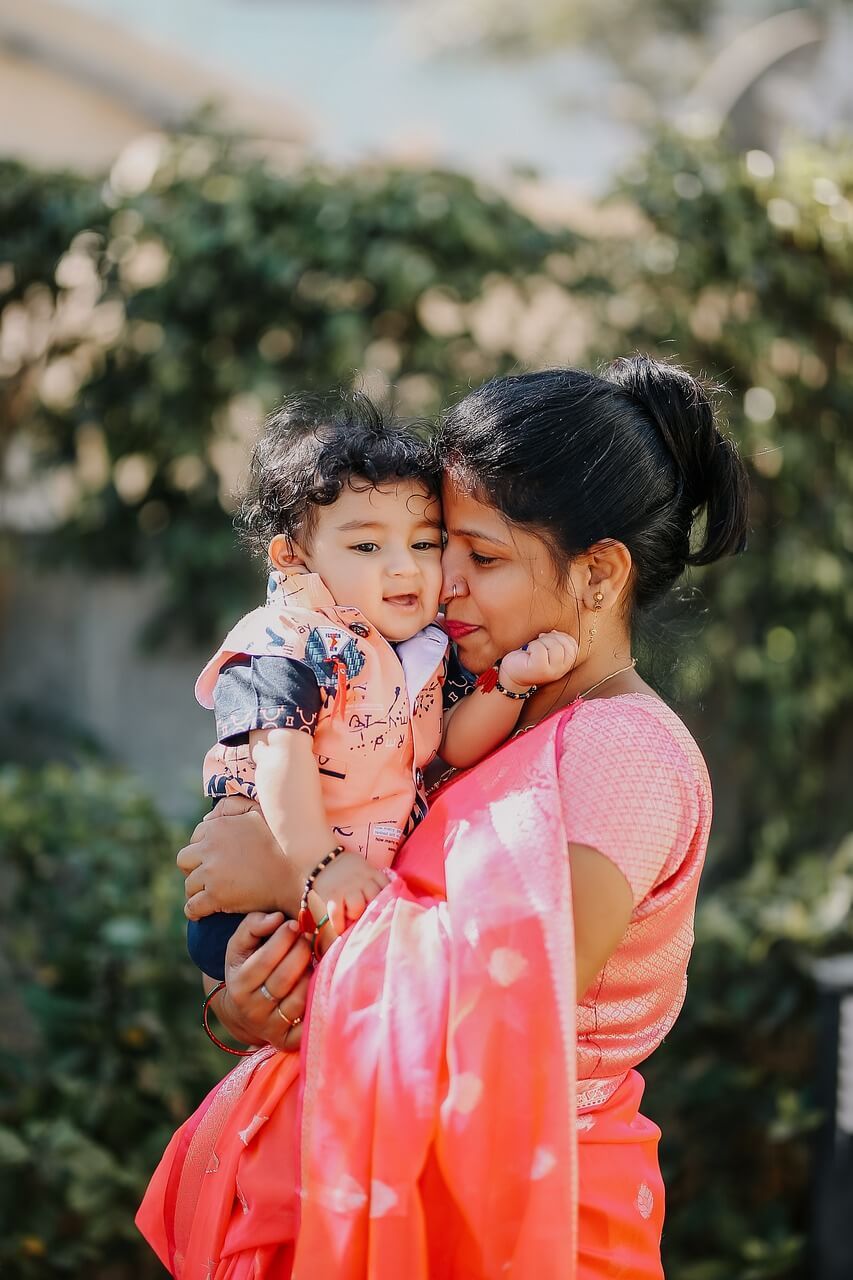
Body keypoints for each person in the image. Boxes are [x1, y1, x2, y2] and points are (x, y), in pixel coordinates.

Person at [137, 354, 749, 1280]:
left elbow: (493, 1016)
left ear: (597, 574)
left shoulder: (619, 752)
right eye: (439, 545)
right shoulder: (473, 715)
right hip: (384, 1192)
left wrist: (285, 873)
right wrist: (254, 1001)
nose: (439, 582)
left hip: (515, 1228)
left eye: (480, 556)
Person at [189, 392, 578, 980]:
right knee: (297, 992)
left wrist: (510, 684)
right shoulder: (285, 641)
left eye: (423, 544)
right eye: (367, 546)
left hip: (353, 893)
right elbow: (278, 758)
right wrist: (320, 864)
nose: (404, 567)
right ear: (293, 558)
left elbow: (452, 743)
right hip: (261, 894)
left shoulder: (424, 648)